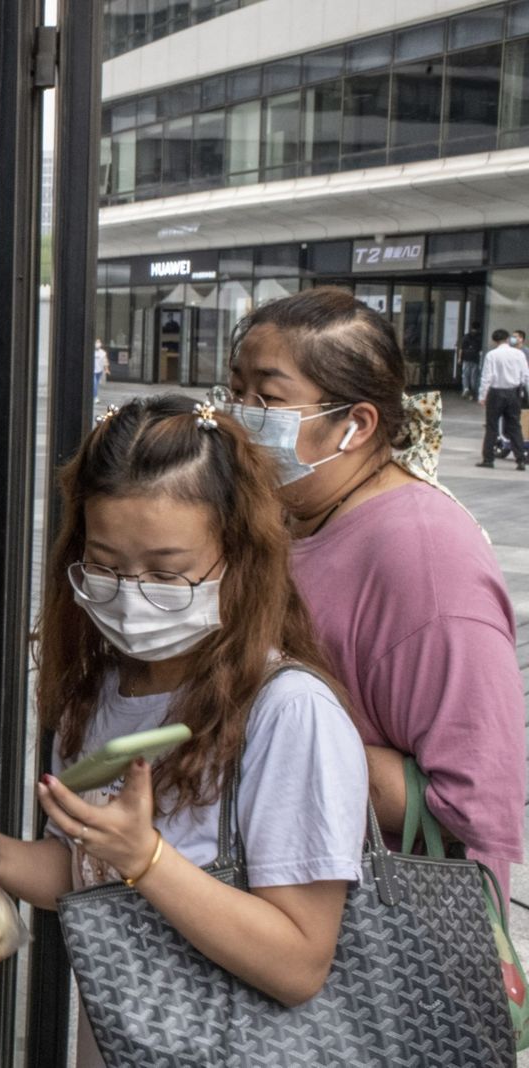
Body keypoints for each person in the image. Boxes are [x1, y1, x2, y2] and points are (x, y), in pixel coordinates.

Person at [0, 396, 367, 1067]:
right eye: (105, 565)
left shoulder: (289, 713)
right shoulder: (103, 689)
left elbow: (300, 962)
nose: (131, 594)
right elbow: (85, 870)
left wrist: (149, 861)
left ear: (240, 559)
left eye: (166, 572)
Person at [225, 289, 526, 894]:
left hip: (380, 951)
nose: (241, 416)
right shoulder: (289, 515)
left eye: (269, 399)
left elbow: (475, 800)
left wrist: (262, 738)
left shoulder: (425, 555)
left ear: (356, 424)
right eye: (236, 393)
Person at [475, 328, 528, 470]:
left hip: (496, 393)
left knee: (491, 426)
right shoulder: (519, 354)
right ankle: (520, 460)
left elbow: (487, 377)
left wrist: (482, 396)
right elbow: (525, 375)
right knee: (515, 426)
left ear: (494, 341)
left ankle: (488, 459)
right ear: (508, 339)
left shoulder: (492, 355)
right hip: (514, 393)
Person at [459, 327, 482, 400]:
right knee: (473, 377)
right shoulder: (480, 337)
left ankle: (466, 389)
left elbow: (461, 349)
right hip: (475, 359)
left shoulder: (466, 337)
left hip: (466, 358)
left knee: (465, 375)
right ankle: (473, 392)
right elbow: (481, 350)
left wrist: (459, 358)